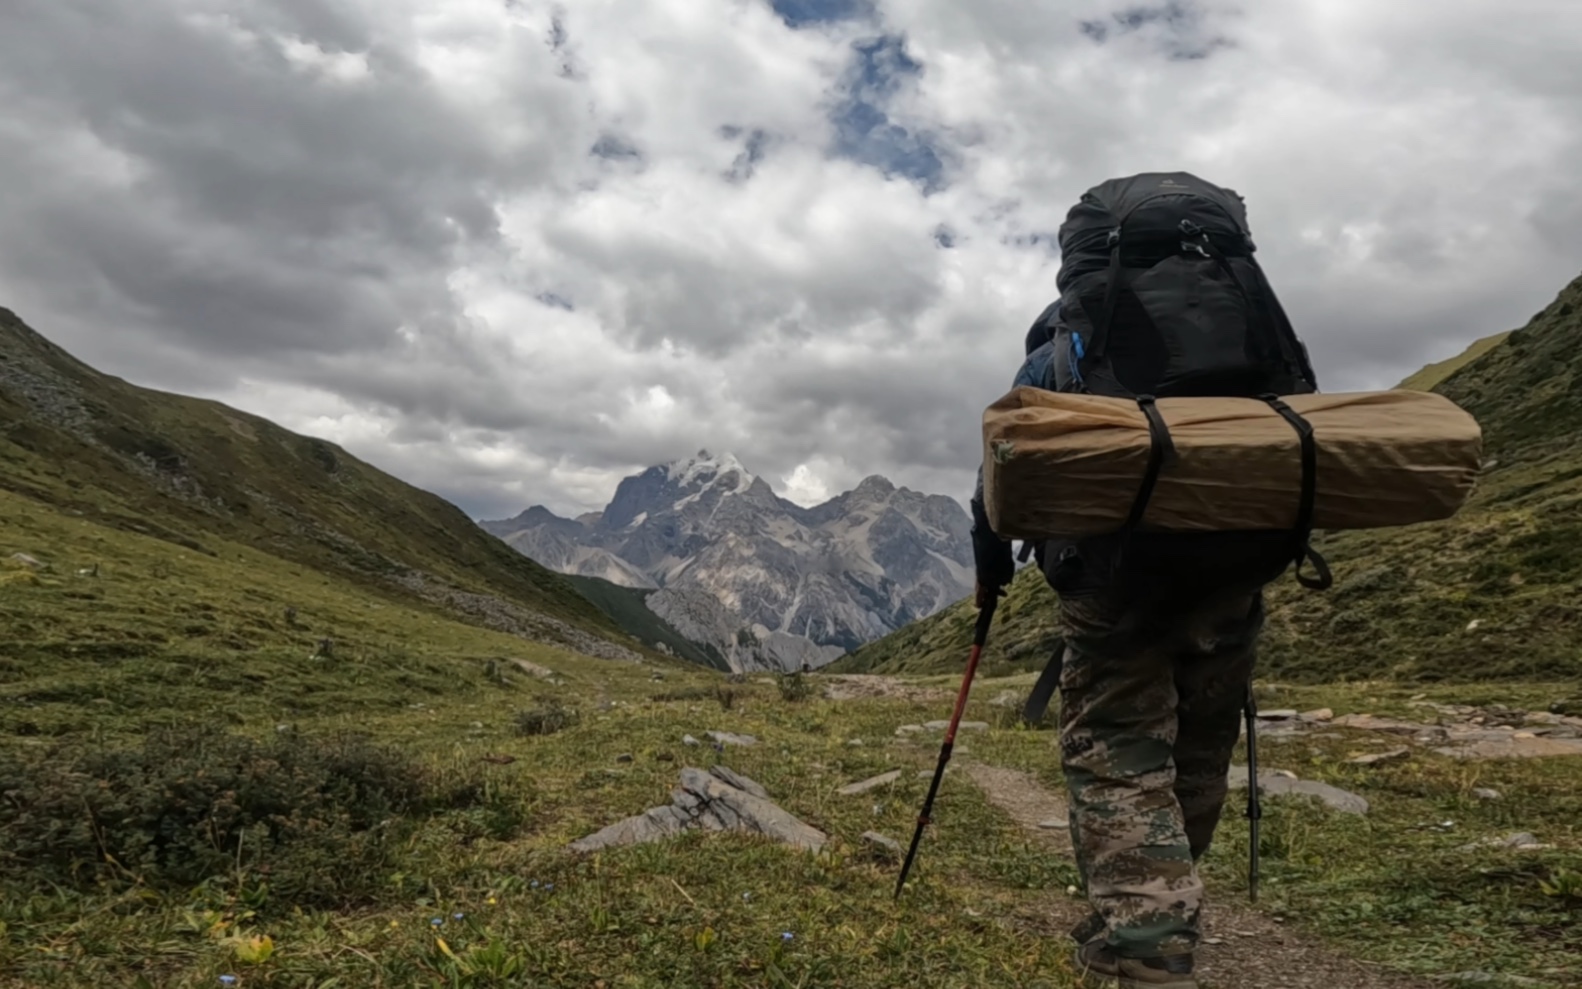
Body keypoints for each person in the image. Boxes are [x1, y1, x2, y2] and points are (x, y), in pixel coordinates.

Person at [971, 173, 1315, 988]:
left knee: (1120, 752)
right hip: (1235, 571)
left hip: (1113, 584)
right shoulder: (1252, 337)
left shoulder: (1061, 353)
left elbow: (998, 484)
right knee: (1199, 746)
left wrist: (991, 579)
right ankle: (1158, 905)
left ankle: (1148, 944)